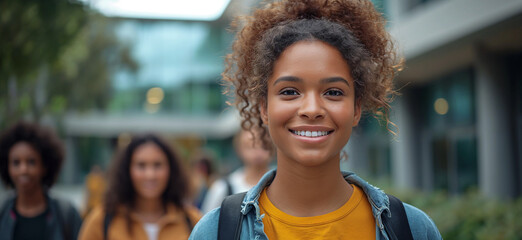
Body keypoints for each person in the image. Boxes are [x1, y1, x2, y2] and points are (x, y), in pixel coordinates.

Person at [189, 0, 442, 239]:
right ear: (264, 108)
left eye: (333, 92)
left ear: (356, 109)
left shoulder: (414, 228)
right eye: (289, 91)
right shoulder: (215, 231)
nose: (312, 109)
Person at [79, 134, 201, 240]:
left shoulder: (193, 221)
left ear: (171, 170)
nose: (150, 175)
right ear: (127, 170)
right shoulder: (101, 220)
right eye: (141, 165)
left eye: (157, 165)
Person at [0, 121, 82, 240]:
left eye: (31, 162)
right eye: (16, 163)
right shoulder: (2, 214)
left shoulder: (66, 215)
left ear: (45, 166)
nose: (23, 170)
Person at [200, 129, 272, 214]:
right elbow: (207, 223)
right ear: (239, 149)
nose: (257, 151)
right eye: (250, 145)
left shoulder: (282, 185)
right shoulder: (223, 187)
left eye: (264, 145)